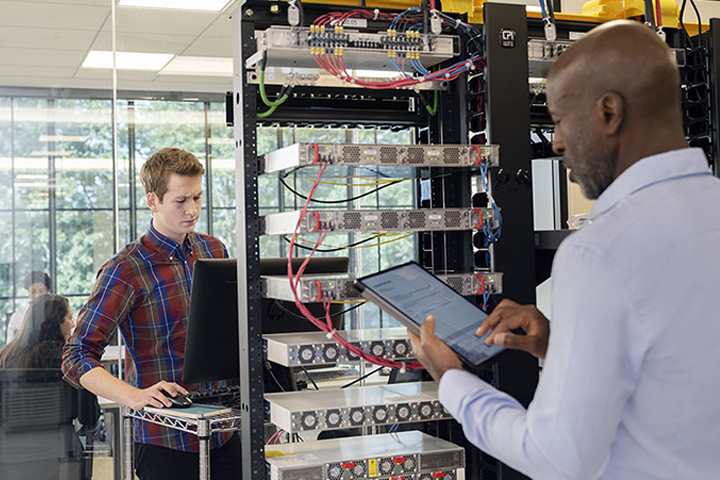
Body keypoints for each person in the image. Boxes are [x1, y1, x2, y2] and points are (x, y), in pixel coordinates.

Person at [410, 20, 720, 480]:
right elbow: (683, 377)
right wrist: (563, 347)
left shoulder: (599, 253)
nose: (555, 143)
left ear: (609, 112)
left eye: (558, 120)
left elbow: (556, 458)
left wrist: (452, 381)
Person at [61, 148, 241, 480]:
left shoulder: (213, 250)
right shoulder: (125, 269)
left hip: (223, 431)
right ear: (153, 201)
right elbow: (76, 355)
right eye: (181, 200)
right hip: (164, 442)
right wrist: (135, 397)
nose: (193, 210)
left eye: (198, 198)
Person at [0, 294, 74, 369]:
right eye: (70, 318)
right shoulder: (61, 358)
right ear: (56, 323)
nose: (73, 325)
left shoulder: (5, 354)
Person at [6, 271, 52, 343]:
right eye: (33, 292)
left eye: (41, 291)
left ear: (48, 292)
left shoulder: (57, 313)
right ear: (28, 292)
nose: (37, 296)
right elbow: (10, 345)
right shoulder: (17, 316)